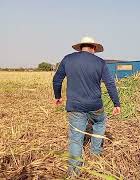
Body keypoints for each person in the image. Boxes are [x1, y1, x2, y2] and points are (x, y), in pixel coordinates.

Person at [53, 36, 121, 176]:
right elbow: (110, 84)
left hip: (75, 106)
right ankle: (95, 156)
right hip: (95, 105)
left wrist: (58, 96)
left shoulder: (68, 59)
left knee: (76, 138)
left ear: (80, 47)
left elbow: (57, 80)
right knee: (100, 123)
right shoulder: (100, 62)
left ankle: (73, 172)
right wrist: (116, 103)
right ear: (94, 48)